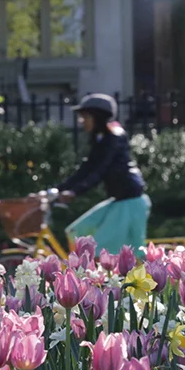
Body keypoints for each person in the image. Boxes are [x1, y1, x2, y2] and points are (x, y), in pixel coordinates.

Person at [54, 93, 151, 255]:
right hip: (119, 200)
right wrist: (59, 188)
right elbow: (87, 168)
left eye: (85, 117)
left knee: (102, 251)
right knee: (77, 231)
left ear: (98, 117)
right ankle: (80, 269)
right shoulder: (102, 138)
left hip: (129, 202)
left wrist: (74, 192)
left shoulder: (113, 137)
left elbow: (100, 169)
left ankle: (96, 277)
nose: (81, 121)